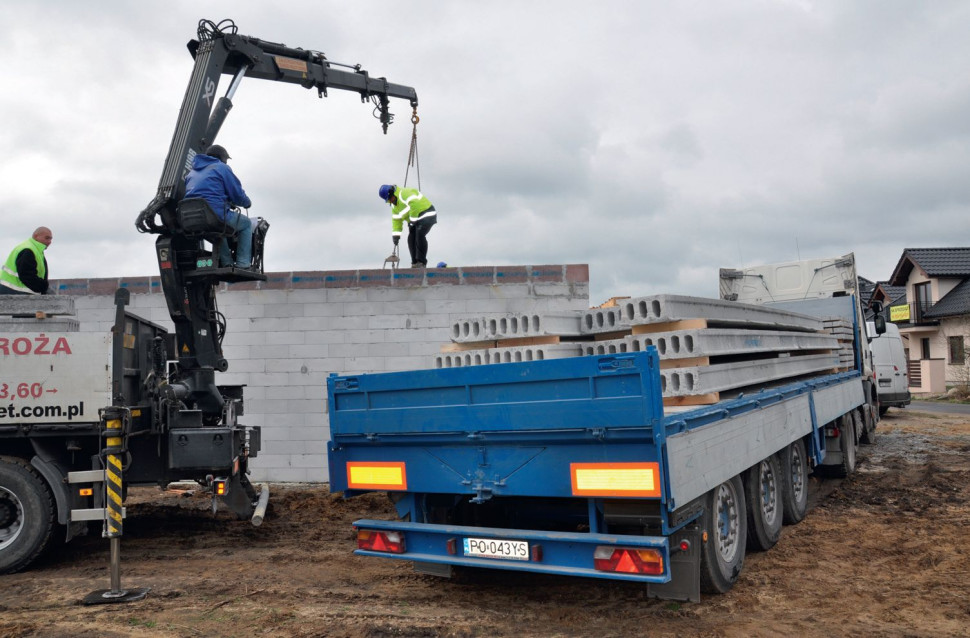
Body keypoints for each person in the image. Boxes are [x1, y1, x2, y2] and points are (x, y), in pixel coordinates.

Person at [184, 144, 253, 269]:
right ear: (221, 157)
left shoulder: (191, 173)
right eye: (226, 159)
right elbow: (237, 194)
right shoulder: (222, 168)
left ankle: (227, 263)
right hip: (215, 215)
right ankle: (243, 263)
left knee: (218, 231)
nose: (226, 161)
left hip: (192, 219)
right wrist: (247, 202)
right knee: (246, 224)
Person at [379, 184, 437, 268]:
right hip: (416, 219)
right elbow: (396, 220)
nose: (390, 201)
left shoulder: (404, 193)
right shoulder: (395, 207)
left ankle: (421, 262)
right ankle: (414, 263)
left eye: (390, 199)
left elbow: (415, 204)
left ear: (393, 193)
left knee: (419, 234)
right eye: (389, 201)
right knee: (411, 238)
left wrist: (412, 221)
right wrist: (396, 235)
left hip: (427, 213)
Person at [0, 227, 53, 295]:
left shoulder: (33, 249)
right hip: (16, 291)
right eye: (47, 238)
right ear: (36, 236)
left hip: (14, 290)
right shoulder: (28, 250)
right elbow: (27, 275)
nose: (49, 241)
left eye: (51, 239)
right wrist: (43, 286)